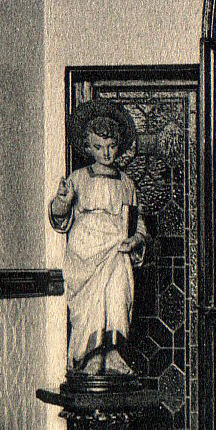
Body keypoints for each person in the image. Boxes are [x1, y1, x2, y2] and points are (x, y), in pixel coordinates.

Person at [50, 100, 147, 374]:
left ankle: (114, 354)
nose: (106, 153)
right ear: (87, 147)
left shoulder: (127, 184)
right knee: (90, 308)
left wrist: (137, 239)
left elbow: (138, 223)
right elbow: (60, 219)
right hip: (85, 255)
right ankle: (89, 356)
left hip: (116, 253)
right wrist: (63, 201)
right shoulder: (78, 178)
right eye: (98, 146)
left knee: (118, 297)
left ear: (119, 146)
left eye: (111, 146)